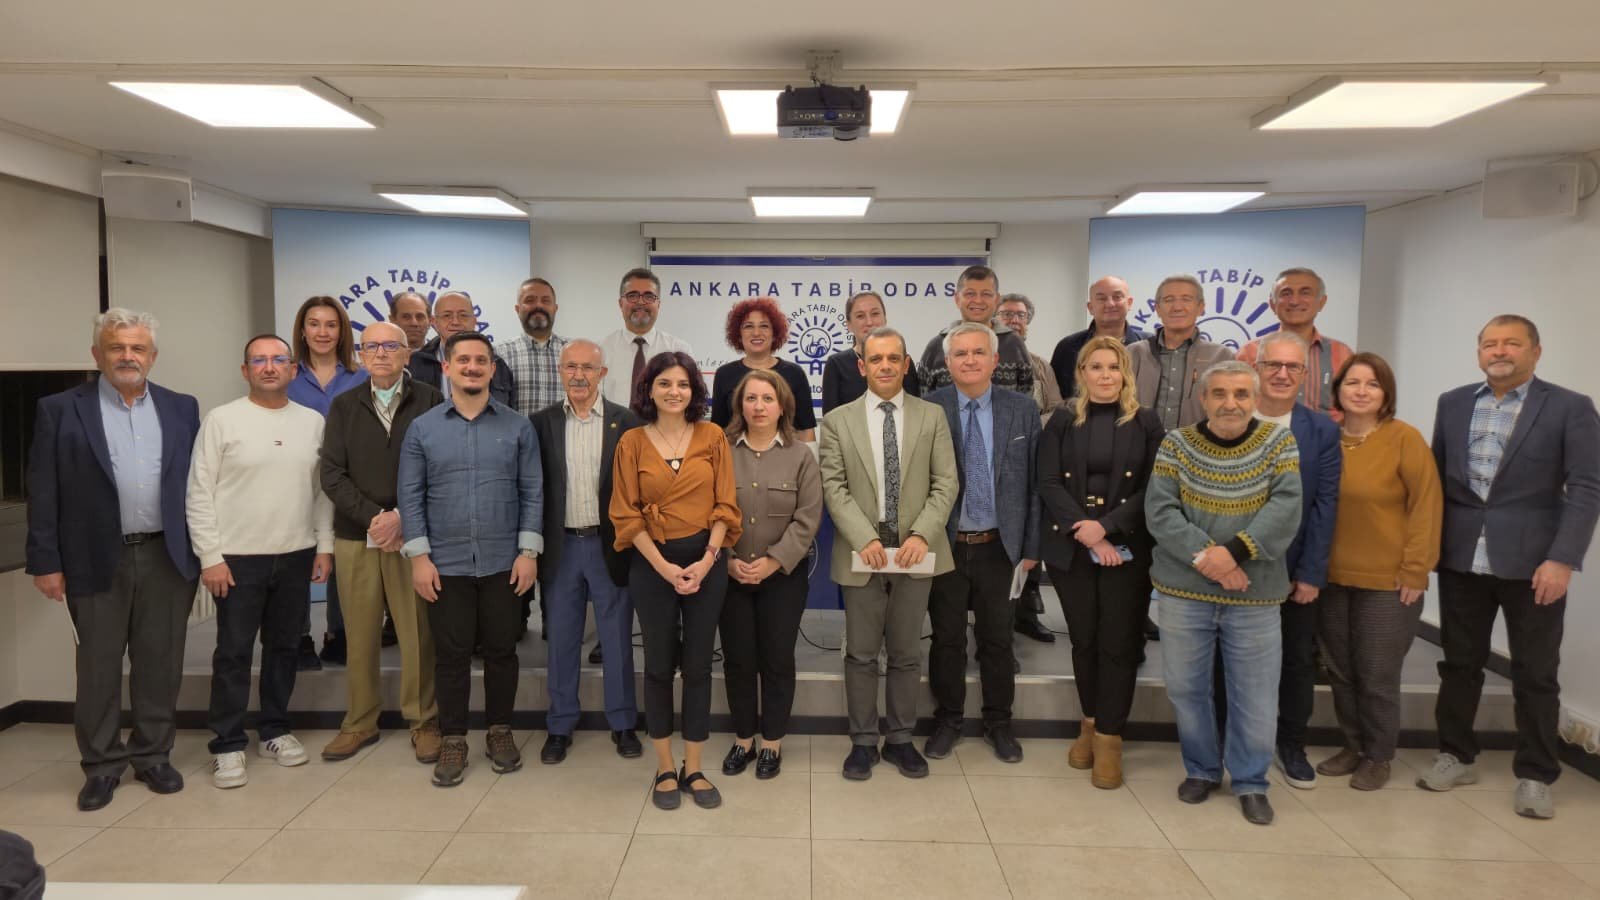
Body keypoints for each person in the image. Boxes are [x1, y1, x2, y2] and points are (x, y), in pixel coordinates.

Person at [1422, 315, 1600, 819]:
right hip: (1461, 558)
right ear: (1479, 352)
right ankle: (1456, 755)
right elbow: (1437, 479)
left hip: (1535, 565)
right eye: (1490, 344)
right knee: (1459, 664)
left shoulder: (1569, 407)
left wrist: (1562, 558)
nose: (1499, 351)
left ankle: (1536, 774)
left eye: (1512, 343)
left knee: (1535, 672)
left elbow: (1587, 487)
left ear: (1535, 352)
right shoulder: (1454, 402)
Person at [25, 309, 201, 812]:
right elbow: (43, 488)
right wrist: (45, 561)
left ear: (153, 356)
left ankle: (152, 754)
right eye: (116, 347)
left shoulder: (182, 407)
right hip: (93, 558)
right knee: (98, 668)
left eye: (137, 348)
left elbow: (197, 483)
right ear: (97, 354)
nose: (127, 356)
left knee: (160, 663)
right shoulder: (60, 409)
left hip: (168, 555)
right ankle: (101, 764)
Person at [1145, 360, 1302, 825]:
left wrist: (1234, 554)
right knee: (1186, 688)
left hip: (1255, 594)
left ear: (1255, 399)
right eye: (1219, 394)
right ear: (1203, 398)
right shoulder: (1176, 444)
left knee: (1255, 695)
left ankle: (1251, 782)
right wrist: (1209, 560)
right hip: (1185, 592)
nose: (1230, 403)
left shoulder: (1279, 442)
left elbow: (1285, 508)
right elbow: (1161, 512)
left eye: (1240, 394)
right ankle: (1202, 769)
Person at [187, 334, 335, 789]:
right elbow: (199, 492)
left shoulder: (312, 422)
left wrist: (324, 545)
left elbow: (321, 492)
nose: (269, 367)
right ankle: (228, 744)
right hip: (236, 559)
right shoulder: (221, 420)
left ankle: (274, 729)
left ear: (292, 369)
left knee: (284, 648)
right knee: (233, 652)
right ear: (245, 370)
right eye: (259, 360)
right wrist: (210, 557)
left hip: (295, 554)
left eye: (278, 359)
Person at [399, 331, 543, 787]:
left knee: (502, 651)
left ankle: (500, 731)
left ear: (492, 369)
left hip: (505, 561)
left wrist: (528, 552)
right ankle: (454, 738)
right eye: (463, 360)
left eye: (481, 360)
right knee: (451, 655)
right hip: (445, 563)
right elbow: (411, 496)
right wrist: (419, 557)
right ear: (446, 367)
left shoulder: (518, 427)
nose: (472, 367)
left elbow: (532, 491)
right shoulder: (423, 429)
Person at [818, 327, 958, 781]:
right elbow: (834, 487)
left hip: (916, 552)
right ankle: (863, 742)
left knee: (905, 654)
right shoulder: (837, 421)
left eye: (893, 358)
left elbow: (946, 483)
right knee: (860, 654)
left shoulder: (932, 416)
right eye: (875, 359)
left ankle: (900, 739)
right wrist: (865, 538)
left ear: (906, 364)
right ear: (862, 366)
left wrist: (921, 535)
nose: (884, 366)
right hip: (864, 552)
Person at [610, 350, 740, 810]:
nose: (674, 391)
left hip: (707, 560)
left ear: (694, 390)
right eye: (664, 383)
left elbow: (726, 505)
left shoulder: (713, 436)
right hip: (651, 564)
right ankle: (665, 766)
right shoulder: (631, 442)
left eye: (683, 383)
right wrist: (664, 568)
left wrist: (707, 560)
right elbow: (625, 515)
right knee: (659, 666)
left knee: (699, 666)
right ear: (649, 389)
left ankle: (694, 767)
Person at [1037, 336, 1165, 789]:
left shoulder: (1147, 422)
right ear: (1082, 373)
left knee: (1119, 644)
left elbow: (1154, 487)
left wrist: (1106, 528)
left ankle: (1110, 738)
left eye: (1113, 367)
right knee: (1084, 641)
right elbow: (1048, 481)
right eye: (1096, 367)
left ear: (1125, 373)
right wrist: (1087, 530)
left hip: (1126, 550)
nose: (1105, 375)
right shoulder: (1062, 419)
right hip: (1071, 548)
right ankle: (1089, 724)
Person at [317, 321, 443, 764]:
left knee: (417, 634)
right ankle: (360, 721)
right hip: (358, 534)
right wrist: (375, 518)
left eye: (392, 346)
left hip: (414, 536)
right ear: (360, 355)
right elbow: (331, 473)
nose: (382, 354)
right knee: (360, 633)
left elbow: (441, 467)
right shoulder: (343, 405)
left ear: (408, 354)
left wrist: (403, 517)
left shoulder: (431, 400)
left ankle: (423, 720)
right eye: (372, 347)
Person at [1315, 352, 1440, 790]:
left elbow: (1426, 506)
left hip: (1388, 582)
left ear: (1386, 394)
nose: (1362, 391)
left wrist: (1416, 570)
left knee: (1377, 674)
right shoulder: (1326, 438)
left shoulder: (1404, 439)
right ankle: (1353, 746)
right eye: (1353, 383)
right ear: (1338, 390)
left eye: (1373, 384)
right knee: (1340, 670)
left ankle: (1379, 755)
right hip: (1330, 578)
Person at [924, 323, 1040, 764]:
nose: (969, 360)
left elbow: (1035, 484)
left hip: (1001, 546)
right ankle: (948, 720)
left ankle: (999, 723)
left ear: (995, 360)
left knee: (997, 640)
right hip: (946, 544)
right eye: (960, 354)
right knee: (947, 639)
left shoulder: (1022, 409)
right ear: (947, 362)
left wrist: (1031, 548)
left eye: (978, 353)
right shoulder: (930, 408)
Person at [1230, 331, 1342, 791]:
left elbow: (1325, 505)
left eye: (1292, 367)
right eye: (1272, 365)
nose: (1281, 374)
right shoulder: (1230, 419)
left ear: (1304, 374)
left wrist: (1312, 573)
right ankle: (1231, 743)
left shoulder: (1321, 430)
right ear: (1255, 369)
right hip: (1232, 570)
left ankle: (1291, 744)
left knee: (1296, 662)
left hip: (1293, 571)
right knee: (1229, 663)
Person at [531, 340, 643, 763]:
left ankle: (623, 723)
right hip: (560, 547)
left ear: (603, 373)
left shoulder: (627, 422)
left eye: (588, 368)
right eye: (571, 367)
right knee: (561, 641)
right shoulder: (540, 423)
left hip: (609, 546)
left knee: (616, 639)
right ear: (560, 371)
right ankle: (560, 725)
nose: (579, 375)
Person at [718, 368, 823, 780]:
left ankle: (772, 742)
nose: (759, 406)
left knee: (777, 658)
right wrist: (727, 559)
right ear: (739, 406)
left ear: (782, 407)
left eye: (767, 399)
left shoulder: (801, 456)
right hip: (730, 574)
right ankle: (743, 738)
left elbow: (807, 518)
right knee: (738, 659)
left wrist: (773, 562)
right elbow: (708, 510)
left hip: (783, 577)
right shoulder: (720, 451)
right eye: (751, 398)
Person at [286, 296, 369, 669]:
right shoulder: (287, 375)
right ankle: (299, 635)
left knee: (343, 554)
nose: (323, 332)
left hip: (349, 480)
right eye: (314, 324)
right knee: (299, 555)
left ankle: (339, 632)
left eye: (331, 325)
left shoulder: (361, 376)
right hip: (296, 481)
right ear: (303, 331)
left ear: (342, 331)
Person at [995, 292, 1061, 644]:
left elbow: (1056, 408)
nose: (1014, 320)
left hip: (1030, 456)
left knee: (1029, 533)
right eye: (1007, 314)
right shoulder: (983, 358)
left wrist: (1029, 424)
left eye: (1020, 315)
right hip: (989, 461)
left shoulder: (1040, 366)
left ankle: (1027, 612)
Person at [1235, 268, 1354, 418]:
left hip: (1327, 433)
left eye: (1305, 293)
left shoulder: (1342, 354)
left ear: (1322, 302)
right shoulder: (1249, 353)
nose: (1294, 301)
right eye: (1286, 293)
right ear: (1272, 304)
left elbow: (1351, 407)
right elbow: (1237, 403)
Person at [1127, 274, 1235, 431]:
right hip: (1138, 444)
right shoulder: (1133, 353)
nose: (1177, 307)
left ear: (1201, 307)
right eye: (1168, 300)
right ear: (1157, 309)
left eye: (1186, 299)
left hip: (1198, 445)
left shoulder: (1222, 357)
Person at [710, 297, 818, 441]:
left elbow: (806, 430)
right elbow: (718, 431)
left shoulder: (794, 373)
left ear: (775, 334)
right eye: (748, 326)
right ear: (738, 334)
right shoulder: (724, 374)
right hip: (736, 454)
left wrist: (809, 455)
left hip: (786, 453)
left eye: (764, 326)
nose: (756, 333)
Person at [917, 265, 1033, 395]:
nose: (978, 300)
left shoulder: (1014, 344)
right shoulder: (936, 346)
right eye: (970, 294)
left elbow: (1026, 398)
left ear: (996, 300)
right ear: (957, 299)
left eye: (986, 294)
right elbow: (922, 401)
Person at [599, 267, 695, 405]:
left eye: (649, 296)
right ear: (620, 303)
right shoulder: (601, 350)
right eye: (632, 295)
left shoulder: (679, 349)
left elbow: (690, 400)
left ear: (658, 304)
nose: (640, 302)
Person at [404, 291, 515, 407]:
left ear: (474, 321)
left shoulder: (498, 364)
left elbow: (508, 411)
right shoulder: (415, 363)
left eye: (463, 315)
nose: (455, 322)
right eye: (447, 316)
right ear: (434, 322)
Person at [821, 290, 922, 413]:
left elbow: (915, 412)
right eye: (860, 316)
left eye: (875, 314)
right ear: (849, 325)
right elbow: (831, 419)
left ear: (885, 318)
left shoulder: (902, 361)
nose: (869, 322)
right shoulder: (836, 364)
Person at [1050, 275, 1150, 399]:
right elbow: (1055, 399)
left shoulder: (1150, 346)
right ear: (1090, 307)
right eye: (1102, 299)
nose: (1110, 304)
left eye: (1117, 297)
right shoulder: (1067, 347)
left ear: (1129, 303)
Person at [500, 276, 568, 417]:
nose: (538, 306)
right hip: (517, 433)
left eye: (545, 300)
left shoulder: (574, 353)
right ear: (517, 309)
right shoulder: (500, 353)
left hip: (565, 432)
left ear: (555, 308)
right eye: (530, 300)